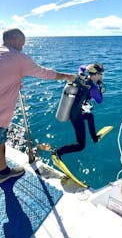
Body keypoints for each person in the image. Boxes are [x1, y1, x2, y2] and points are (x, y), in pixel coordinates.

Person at [0, 28, 76, 183]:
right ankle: (3, 173)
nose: (22, 47)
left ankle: (2, 169)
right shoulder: (18, 57)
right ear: (16, 40)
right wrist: (66, 76)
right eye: (22, 43)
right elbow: (45, 73)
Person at [53, 63, 105, 159]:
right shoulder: (92, 88)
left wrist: (87, 67)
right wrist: (100, 87)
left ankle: (94, 138)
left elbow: (81, 67)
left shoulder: (82, 76)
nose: (102, 76)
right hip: (76, 116)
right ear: (97, 74)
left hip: (75, 110)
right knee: (81, 145)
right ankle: (58, 151)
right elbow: (100, 100)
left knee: (90, 116)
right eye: (101, 74)